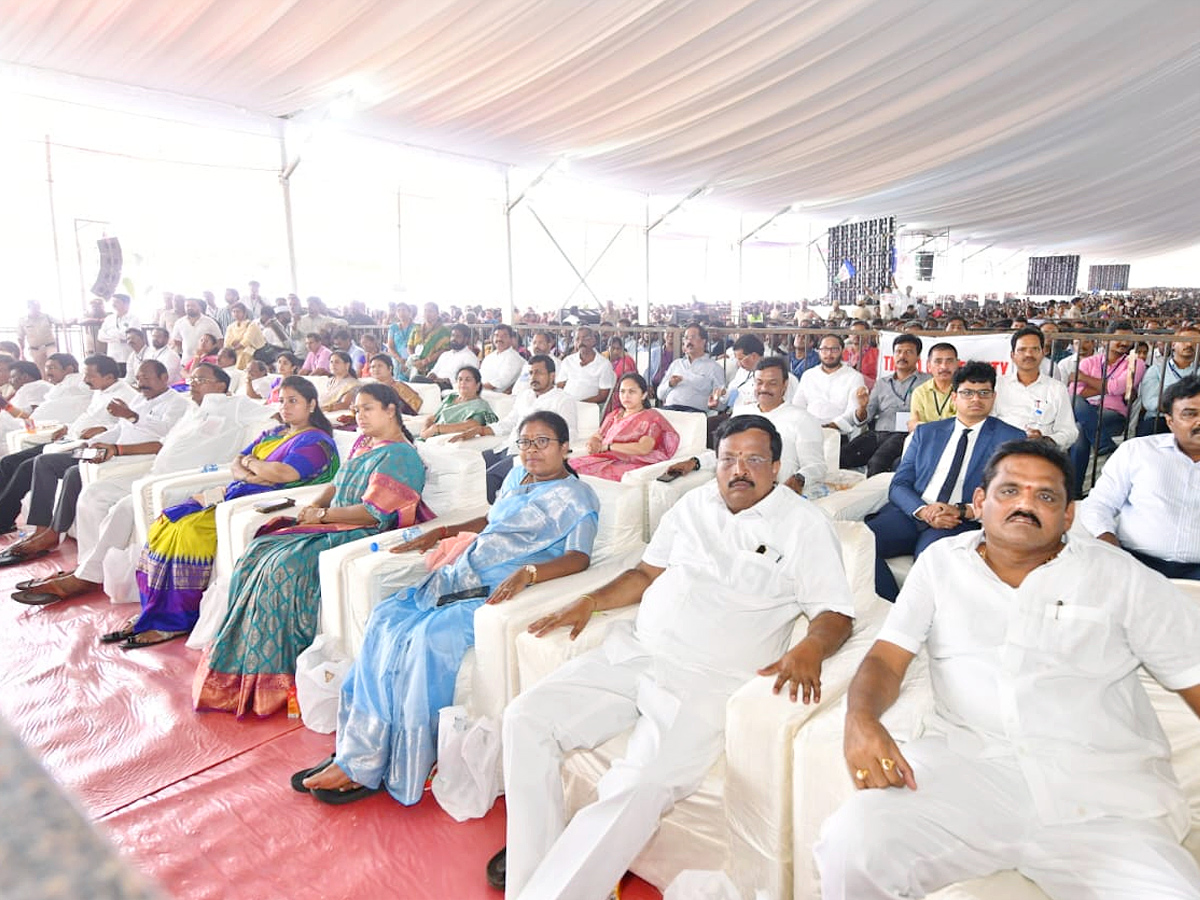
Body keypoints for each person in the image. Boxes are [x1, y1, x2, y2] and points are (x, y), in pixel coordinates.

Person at [489, 415, 855, 898]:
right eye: (728, 459)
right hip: (636, 652)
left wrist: (810, 646)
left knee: (641, 782)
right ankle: (530, 877)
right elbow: (644, 574)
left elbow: (836, 612)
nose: (738, 470)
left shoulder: (804, 525)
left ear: (776, 466)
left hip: (704, 683)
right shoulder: (692, 504)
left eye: (753, 459)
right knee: (525, 719)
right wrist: (590, 600)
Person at [816, 440, 1200, 899]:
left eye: (1045, 496)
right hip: (969, 773)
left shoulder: (1124, 578)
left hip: (1102, 797)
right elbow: (885, 658)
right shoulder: (941, 564)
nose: (1026, 505)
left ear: (1069, 515)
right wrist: (860, 719)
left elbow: (1192, 679)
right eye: (1010, 491)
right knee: (853, 842)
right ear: (979, 503)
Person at [293, 411, 599, 805]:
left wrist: (529, 573)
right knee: (387, 618)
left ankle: (400, 761)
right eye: (525, 442)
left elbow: (579, 557)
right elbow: (491, 520)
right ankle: (362, 748)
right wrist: (441, 532)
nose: (532, 451)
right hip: (464, 570)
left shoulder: (578, 496)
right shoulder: (514, 478)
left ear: (564, 447)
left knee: (425, 639)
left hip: (501, 586)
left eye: (543, 442)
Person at [192, 384, 430, 715]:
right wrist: (316, 505)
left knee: (284, 566)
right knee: (258, 550)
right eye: (357, 409)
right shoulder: (364, 443)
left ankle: (276, 684)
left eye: (368, 408)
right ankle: (238, 668)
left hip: (358, 530)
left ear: (391, 410)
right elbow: (338, 483)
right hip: (331, 520)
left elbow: (374, 512)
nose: (360, 416)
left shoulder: (401, 455)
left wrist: (323, 515)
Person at [11, 364, 276, 607]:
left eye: (202, 379)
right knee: (93, 494)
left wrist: (261, 448)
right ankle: (86, 566)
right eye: (192, 378)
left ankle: (85, 578)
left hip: (186, 480)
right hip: (153, 471)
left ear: (221, 386)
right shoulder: (192, 410)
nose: (194, 383)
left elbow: (277, 415)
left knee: (125, 508)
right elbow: (164, 444)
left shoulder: (235, 405)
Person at [123, 377, 339, 649]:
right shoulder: (274, 433)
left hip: (264, 501)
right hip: (239, 490)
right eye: (282, 401)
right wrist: (253, 466)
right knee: (169, 520)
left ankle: (175, 621)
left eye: (293, 401)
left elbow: (285, 473)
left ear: (312, 404)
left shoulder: (316, 442)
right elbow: (237, 463)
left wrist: (256, 469)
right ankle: (152, 612)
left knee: (189, 531)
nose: (285, 407)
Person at [5, 360, 191, 585]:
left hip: (131, 457)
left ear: (164, 378)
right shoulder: (140, 399)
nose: (142, 383)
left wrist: (132, 417)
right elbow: (120, 429)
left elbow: (165, 433)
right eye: (139, 378)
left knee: (75, 473)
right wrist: (92, 443)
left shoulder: (176, 403)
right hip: (107, 451)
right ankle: (43, 529)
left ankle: (56, 534)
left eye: (147, 378)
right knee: (45, 462)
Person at [867, 361, 1025, 602]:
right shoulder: (927, 432)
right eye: (967, 393)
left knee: (931, 564)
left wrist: (963, 511)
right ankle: (891, 606)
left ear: (994, 397)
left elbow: (1012, 494)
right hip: (914, 512)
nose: (976, 399)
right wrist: (923, 510)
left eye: (984, 393)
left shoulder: (1012, 439)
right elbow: (899, 484)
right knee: (858, 544)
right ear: (954, 397)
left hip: (958, 521)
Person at [0, 355, 139, 549]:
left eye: (90, 375)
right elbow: (87, 417)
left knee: (29, 467)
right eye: (85, 374)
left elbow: (128, 428)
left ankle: (11, 520)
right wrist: (67, 427)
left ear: (108, 377)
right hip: (69, 440)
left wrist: (103, 430)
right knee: (9, 462)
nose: (85, 380)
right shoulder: (100, 390)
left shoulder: (125, 396)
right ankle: (7, 516)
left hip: (88, 448)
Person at [1077, 374, 1200, 580]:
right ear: (1170, 422)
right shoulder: (1137, 452)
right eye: (1190, 414)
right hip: (1135, 564)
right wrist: (1108, 541)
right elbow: (1099, 504)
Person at [451, 355, 578, 502]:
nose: (533, 377)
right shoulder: (525, 396)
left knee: (489, 477)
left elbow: (571, 434)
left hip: (526, 454)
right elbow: (509, 422)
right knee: (472, 465)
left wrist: (542, 446)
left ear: (552, 376)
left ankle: (493, 518)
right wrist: (480, 430)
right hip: (506, 447)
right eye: (530, 373)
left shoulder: (563, 400)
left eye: (539, 373)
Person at [1068, 321, 1146, 497]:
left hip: (1113, 414)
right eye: (1119, 338)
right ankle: (1102, 443)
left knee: (1080, 428)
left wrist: (1085, 378)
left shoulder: (1135, 363)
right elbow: (1074, 390)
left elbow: (1118, 388)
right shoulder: (1089, 362)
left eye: (1128, 339)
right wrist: (1107, 386)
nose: (1124, 343)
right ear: (1105, 340)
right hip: (1085, 409)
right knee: (1076, 399)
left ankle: (1074, 492)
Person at [838, 334, 929, 476]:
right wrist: (862, 407)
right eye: (898, 352)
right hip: (879, 433)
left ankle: (875, 497)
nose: (902, 356)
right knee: (841, 456)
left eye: (908, 352)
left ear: (918, 357)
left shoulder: (927, 382)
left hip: (905, 435)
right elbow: (865, 418)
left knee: (877, 463)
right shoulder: (882, 383)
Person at [571, 373, 679, 480]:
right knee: (568, 468)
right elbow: (598, 436)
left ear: (644, 395)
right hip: (606, 459)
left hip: (631, 463)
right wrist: (592, 443)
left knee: (584, 475)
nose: (626, 396)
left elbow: (644, 448)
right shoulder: (615, 415)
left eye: (632, 391)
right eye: (622, 391)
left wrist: (608, 447)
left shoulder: (650, 417)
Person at [992, 326, 1078, 450]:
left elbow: (1069, 432)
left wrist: (1045, 440)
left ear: (1043, 353)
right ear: (1012, 355)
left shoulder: (1057, 388)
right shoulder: (997, 385)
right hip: (1003, 453)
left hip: (1041, 455)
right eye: (1022, 350)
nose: (1028, 354)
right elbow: (988, 425)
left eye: (1035, 349)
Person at [1139, 325, 1199, 435]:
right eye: (1184, 340)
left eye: (1195, 341)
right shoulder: (1156, 370)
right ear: (1173, 344)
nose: (1189, 344)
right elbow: (1150, 402)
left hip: (1195, 420)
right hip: (1160, 418)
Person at [796, 334, 866, 427]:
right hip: (808, 429)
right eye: (824, 349)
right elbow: (798, 406)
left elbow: (852, 411)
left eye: (834, 349)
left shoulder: (854, 377)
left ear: (842, 351)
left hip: (839, 432)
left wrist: (833, 425)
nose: (829, 354)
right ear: (818, 351)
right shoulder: (808, 375)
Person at [658, 323, 725, 413]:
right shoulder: (676, 364)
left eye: (693, 337)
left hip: (694, 414)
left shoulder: (714, 367)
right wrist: (670, 384)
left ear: (703, 341)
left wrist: (716, 403)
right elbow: (660, 395)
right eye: (686, 338)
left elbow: (722, 403)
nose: (688, 341)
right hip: (670, 411)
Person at [419, 365, 497, 439]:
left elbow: (471, 425)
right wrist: (424, 431)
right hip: (429, 436)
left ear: (478, 385)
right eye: (460, 379)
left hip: (444, 437)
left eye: (468, 380)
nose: (463, 382)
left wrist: (436, 428)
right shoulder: (451, 397)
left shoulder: (480, 405)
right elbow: (432, 417)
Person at [557, 326, 615, 405]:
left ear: (593, 340)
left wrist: (579, 403)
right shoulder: (568, 361)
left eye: (585, 338)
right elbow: (559, 386)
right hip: (566, 405)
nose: (581, 342)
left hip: (588, 407)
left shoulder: (604, 364)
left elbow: (603, 395)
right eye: (577, 339)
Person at [907, 342, 958, 430]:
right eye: (938, 361)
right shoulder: (920, 392)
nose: (944, 366)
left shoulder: (965, 391)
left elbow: (963, 424)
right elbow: (914, 427)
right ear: (929, 365)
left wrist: (927, 427)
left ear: (957, 364)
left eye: (949, 361)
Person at [405, 302, 451, 380]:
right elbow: (410, 345)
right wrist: (415, 359)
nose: (427, 313)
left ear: (437, 313)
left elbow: (444, 350)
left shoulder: (444, 331)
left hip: (433, 367)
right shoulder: (417, 328)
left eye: (430, 311)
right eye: (425, 311)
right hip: (416, 365)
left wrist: (425, 361)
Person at [96, 294, 135, 376]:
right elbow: (101, 336)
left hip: (126, 356)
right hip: (112, 356)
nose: (114, 304)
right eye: (113, 302)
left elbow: (130, 336)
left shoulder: (133, 318)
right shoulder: (109, 318)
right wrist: (118, 338)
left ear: (126, 304)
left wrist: (110, 335)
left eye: (117, 302)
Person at [480, 324, 524, 393]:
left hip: (497, 397)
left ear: (511, 339)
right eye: (496, 335)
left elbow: (501, 381)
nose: (499, 339)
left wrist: (477, 388)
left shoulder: (514, 358)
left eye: (504, 336)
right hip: (480, 392)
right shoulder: (490, 356)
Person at [222, 302, 265, 369]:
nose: (236, 314)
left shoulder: (251, 325)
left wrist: (236, 345)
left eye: (238, 311)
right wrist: (236, 344)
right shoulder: (231, 326)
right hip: (235, 353)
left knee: (244, 353)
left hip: (253, 353)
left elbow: (246, 341)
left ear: (244, 313)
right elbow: (227, 342)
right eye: (234, 311)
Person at [16, 299, 56, 369]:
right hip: (35, 349)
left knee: (53, 362)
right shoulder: (22, 320)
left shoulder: (46, 316)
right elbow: (20, 337)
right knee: (41, 369)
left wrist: (71, 321)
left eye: (38, 307)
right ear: (29, 308)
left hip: (49, 346)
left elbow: (59, 322)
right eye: (34, 307)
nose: (37, 309)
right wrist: (22, 353)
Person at [386, 302, 416, 376]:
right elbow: (390, 347)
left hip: (413, 359)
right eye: (398, 310)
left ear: (409, 312)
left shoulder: (416, 327)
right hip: (397, 360)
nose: (401, 312)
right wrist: (399, 359)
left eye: (403, 310)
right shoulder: (393, 328)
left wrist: (410, 360)